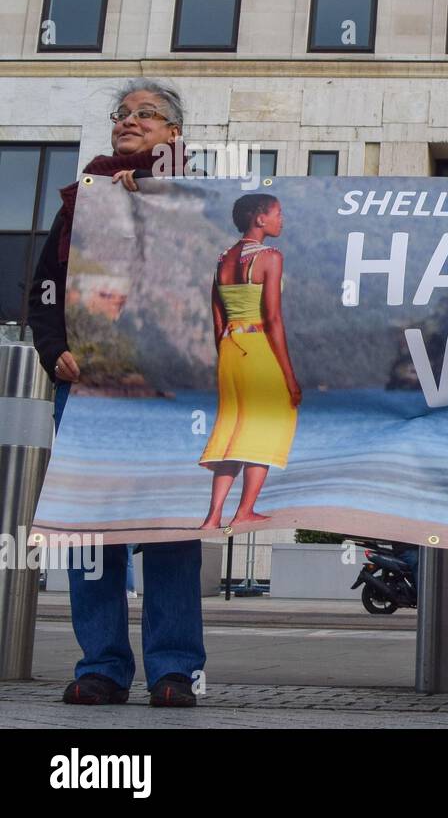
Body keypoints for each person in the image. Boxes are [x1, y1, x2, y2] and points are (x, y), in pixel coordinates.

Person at [28, 79, 206, 708]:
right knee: (92, 530)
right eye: (122, 115)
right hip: (90, 390)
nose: (129, 122)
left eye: (146, 115)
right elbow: (46, 290)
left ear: (175, 134)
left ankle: (173, 670)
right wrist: (55, 354)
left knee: (169, 530)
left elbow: (209, 279)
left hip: (168, 391)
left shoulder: (201, 199)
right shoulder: (84, 200)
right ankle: (102, 664)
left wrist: (158, 212)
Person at [198, 193, 301, 529]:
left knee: (233, 428)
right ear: (260, 219)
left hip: (230, 348)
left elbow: (217, 320)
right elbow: (273, 319)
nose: (281, 220)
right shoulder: (270, 257)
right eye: (277, 213)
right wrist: (289, 377)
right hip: (259, 347)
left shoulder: (221, 259)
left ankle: (212, 516)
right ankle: (244, 510)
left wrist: (228, 355)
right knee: (266, 428)